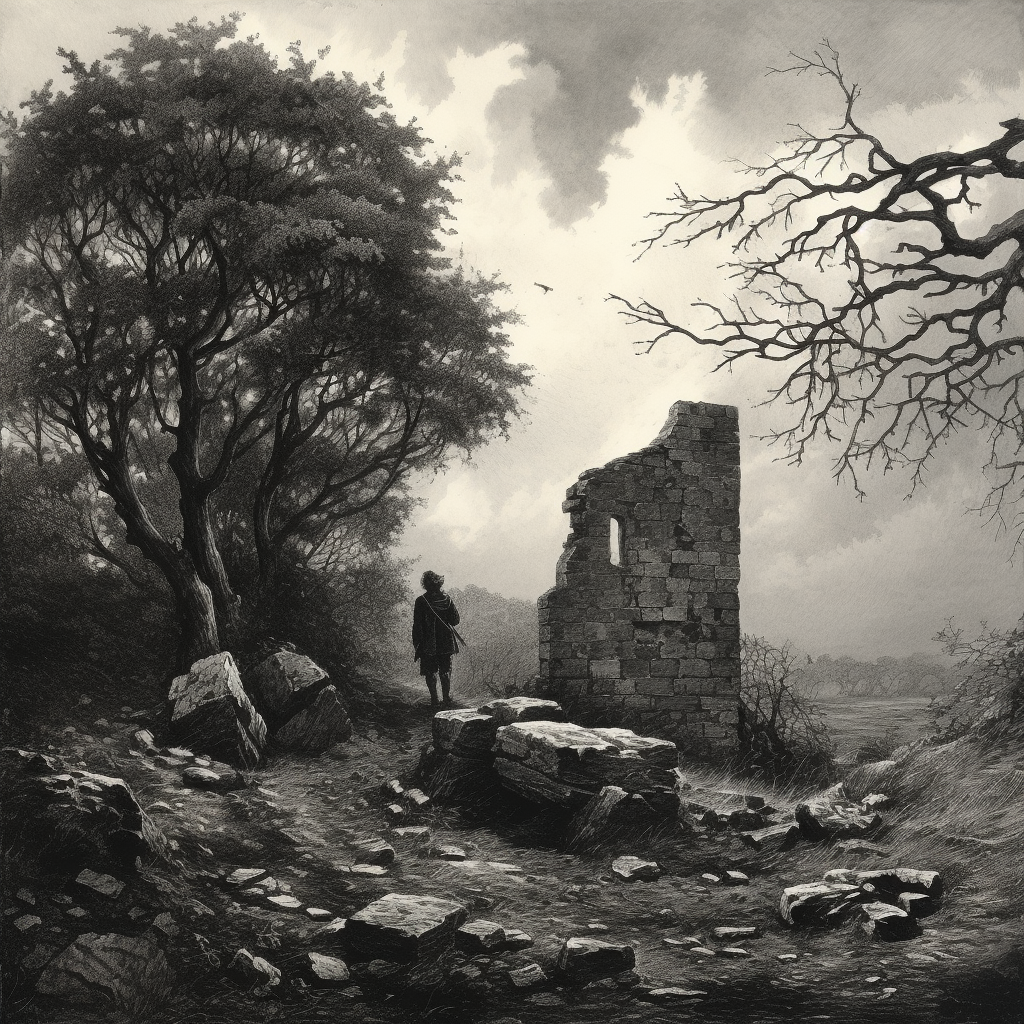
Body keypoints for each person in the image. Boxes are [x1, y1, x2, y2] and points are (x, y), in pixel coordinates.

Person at [412, 571, 461, 708]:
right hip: (445, 640)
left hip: (428, 643)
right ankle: (446, 698)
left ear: (425, 585)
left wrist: (417, 643)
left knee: (430, 671)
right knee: (445, 670)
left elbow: (417, 625)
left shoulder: (421, 601)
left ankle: (434, 700)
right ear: (439, 584)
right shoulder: (447, 599)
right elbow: (455, 620)